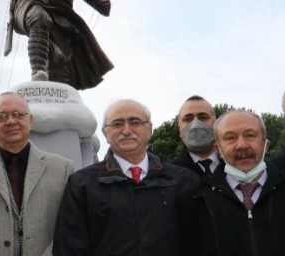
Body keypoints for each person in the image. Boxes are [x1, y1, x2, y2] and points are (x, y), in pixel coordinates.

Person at [53, 99, 199, 256]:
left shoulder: (183, 180)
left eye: (135, 122)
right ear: (105, 133)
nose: (127, 130)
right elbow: (70, 247)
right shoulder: (81, 184)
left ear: (149, 129)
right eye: (117, 124)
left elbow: (198, 241)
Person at [182, 110, 285, 256]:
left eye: (250, 135)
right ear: (218, 150)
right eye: (230, 138)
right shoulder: (197, 205)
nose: (242, 145)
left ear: (266, 144)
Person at [0, 92, 74, 256]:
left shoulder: (63, 169)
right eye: (1, 116)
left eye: (18, 114)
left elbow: (70, 226)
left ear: (30, 120)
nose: (10, 121)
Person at [171, 95, 223, 178]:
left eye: (203, 117)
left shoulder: (237, 166)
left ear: (216, 125)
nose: (195, 125)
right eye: (188, 119)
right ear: (180, 129)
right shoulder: (168, 176)